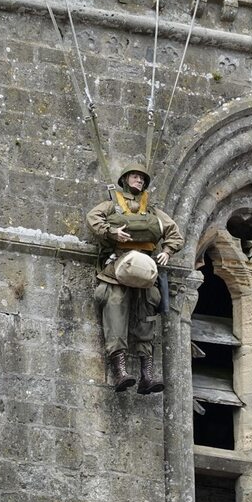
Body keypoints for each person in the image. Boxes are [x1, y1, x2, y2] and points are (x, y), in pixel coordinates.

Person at [87, 163, 185, 394]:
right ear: (125, 179)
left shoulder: (152, 211)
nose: (139, 181)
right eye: (135, 176)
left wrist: (167, 251)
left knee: (147, 314)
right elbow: (92, 218)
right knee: (114, 307)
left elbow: (176, 235)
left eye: (142, 178)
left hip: (146, 267)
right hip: (117, 265)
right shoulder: (111, 205)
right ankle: (120, 371)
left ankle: (147, 376)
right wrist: (111, 232)